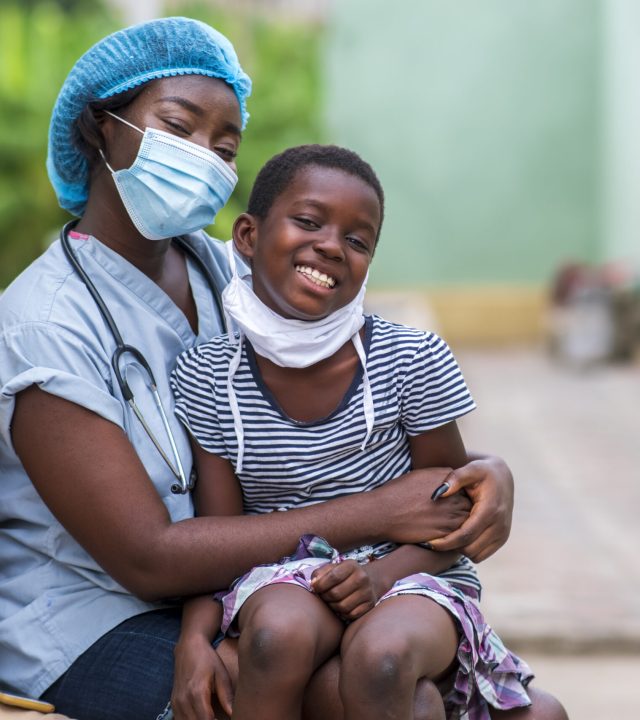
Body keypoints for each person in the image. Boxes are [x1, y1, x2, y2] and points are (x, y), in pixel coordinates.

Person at [0, 16, 567, 720]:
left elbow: (351, 430)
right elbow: (146, 556)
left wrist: (485, 474)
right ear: (101, 128)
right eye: (179, 127)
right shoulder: (43, 325)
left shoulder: (228, 269)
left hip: (237, 583)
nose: (204, 156)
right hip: (95, 616)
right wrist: (384, 513)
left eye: (224, 145)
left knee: (399, 675)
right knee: (340, 692)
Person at [168, 144, 533, 720]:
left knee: (382, 659)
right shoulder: (207, 374)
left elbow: (452, 512)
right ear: (246, 236)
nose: (333, 246)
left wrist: (377, 575)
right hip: (286, 575)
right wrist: (195, 638)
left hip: (411, 573)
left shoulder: (410, 358)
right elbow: (219, 535)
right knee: (274, 636)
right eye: (309, 222)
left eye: (358, 240)